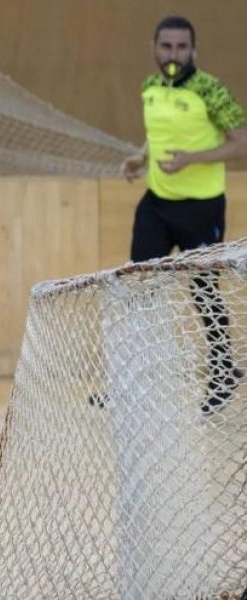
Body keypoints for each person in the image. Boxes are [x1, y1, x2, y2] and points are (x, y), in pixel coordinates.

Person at [119, 15, 247, 414]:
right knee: (138, 285)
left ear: (194, 50)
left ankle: (223, 369)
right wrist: (140, 159)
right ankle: (129, 380)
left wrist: (194, 159)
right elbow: (157, 134)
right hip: (157, 201)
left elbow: (241, 141)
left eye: (181, 47)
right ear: (154, 49)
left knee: (203, 289)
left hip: (201, 206)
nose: (173, 54)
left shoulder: (210, 90)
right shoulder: (150, 87)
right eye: (166, 46)